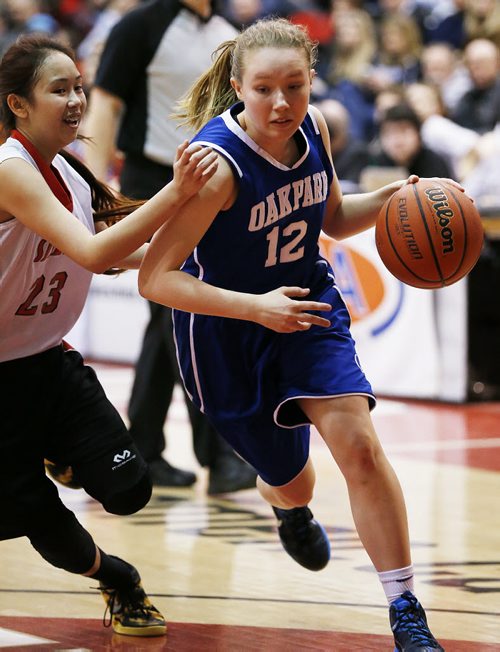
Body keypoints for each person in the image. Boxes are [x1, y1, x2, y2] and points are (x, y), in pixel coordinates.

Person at [138, 17, 455, 650]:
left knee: (359, 445)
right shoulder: (217, 165)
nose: (281, 104)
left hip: (307, 309)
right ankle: (289, 506)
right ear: (237, 86)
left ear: (312, 80)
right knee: (294, 478)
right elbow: (156, 279)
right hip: (226, 332)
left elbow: (332, 216)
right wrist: (256, 308)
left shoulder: (311, 128)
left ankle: (405, 610)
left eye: (295, 86)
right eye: (263, 90)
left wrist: (393, 198)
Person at [0, 33, 217, 637]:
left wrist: (195, 256)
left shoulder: (68, 169)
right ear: (18, 105)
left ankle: (56, 451)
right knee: (40, 525)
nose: (75, 100)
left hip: (48, 362)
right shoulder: (10, 172)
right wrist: (179, 191)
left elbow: (120, 248)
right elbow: (95, 254)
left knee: (130, 488)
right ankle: (118, 578)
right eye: (58, 89)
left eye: (79, 87)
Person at [83, 0, 257, 493]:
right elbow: (107, 102)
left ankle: (142, 448)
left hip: (212, 179)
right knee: (182, 311)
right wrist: (99, 193)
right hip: (152, 179)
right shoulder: (139, 24)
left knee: (170, 318)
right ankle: (219, 455)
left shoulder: (229, 32)